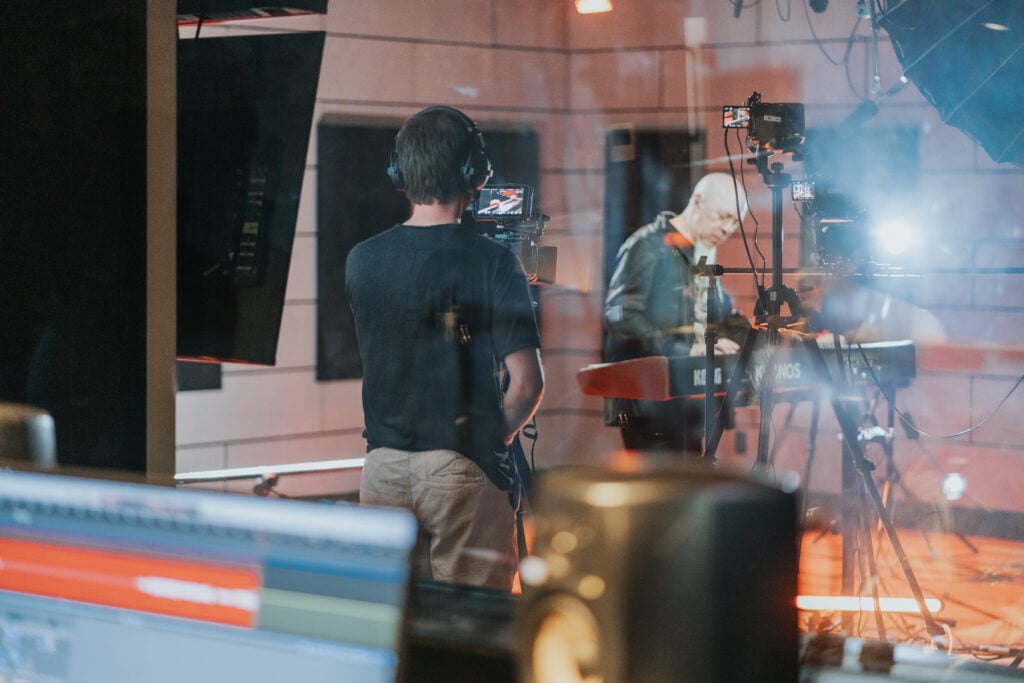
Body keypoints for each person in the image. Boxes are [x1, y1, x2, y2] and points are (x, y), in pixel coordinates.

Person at [345, 105, 544, 591]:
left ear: (400, 173)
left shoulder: (361, 259)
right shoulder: (494, 262)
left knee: (395, 630)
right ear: (474, 172)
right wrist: (488, 438)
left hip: (381, 468)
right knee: (472, 636)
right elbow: (528, 384)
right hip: (462, 467)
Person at [603, 172, 750, 456]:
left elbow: (724, 316)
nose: (728, 229)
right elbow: (620, 314)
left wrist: (777, 338)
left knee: (688, 488)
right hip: (649, 401)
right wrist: (683, 349)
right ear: (697, 201)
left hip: (687, 397)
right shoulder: (648, 244)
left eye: (735, 222)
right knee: (660, 492)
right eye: (723, 216)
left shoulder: (703, 253)